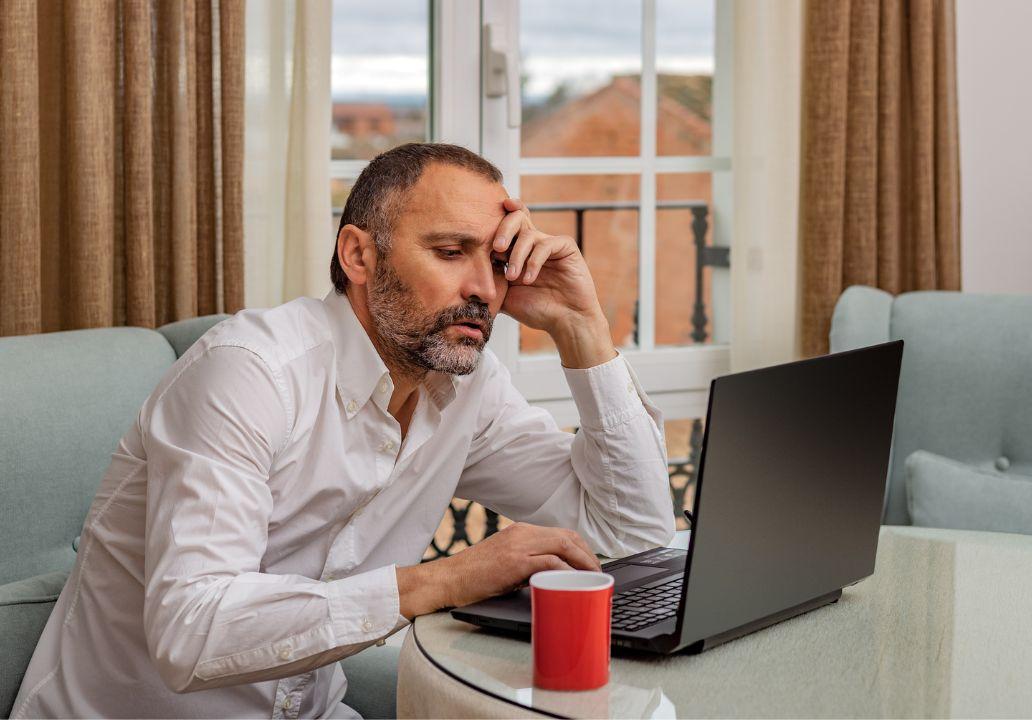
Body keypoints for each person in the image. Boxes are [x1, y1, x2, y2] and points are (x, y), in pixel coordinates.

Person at [12, 143, 674, 718]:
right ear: (359, 253)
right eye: (450, 252)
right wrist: (443, 580)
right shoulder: (250, 374)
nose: (483, 289)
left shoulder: (468, 389)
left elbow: (632, 534)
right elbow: (192, 631)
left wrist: (581, 326)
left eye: (496, 263)